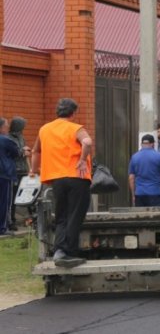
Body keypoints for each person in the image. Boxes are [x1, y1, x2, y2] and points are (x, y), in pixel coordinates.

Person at [30, 98, 93, 268]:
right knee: (75, 215)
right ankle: (68, 252)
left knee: (61, 215)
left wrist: (33, 170)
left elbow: (35, 151)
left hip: (56, 179)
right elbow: (87, 142)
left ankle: (59, 250)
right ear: (73, 113)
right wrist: (82, 160)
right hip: (77, 177)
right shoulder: (75, 128)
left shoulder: (44, 129)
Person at [128, 134, 160, 207]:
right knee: (157, 214)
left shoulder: (134, 157)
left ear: (141, 144)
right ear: (153, 144)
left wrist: (133, 195)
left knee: (141, 214)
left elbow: (131, 178)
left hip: (140, 194)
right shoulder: (159, 156)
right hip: (156, 194)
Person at [8, 117, 30, 231]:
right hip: (14, 171)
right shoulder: (8, 138)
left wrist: (30, 169)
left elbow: (24, 153)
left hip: (23, 170)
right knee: (12, 197)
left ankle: (31, 217)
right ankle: (11, 220)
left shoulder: (22, 138)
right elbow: (10, 153)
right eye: (22, 126)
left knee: (27, 194)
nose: (23, 129)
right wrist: (22, 152)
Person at [0, 118, 20, 236]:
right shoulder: (6, 140)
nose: (8, 128)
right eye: (6, 126)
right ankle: (2, 228)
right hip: (4, 174)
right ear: (1, 128)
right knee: (4, 201)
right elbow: (16, 153)